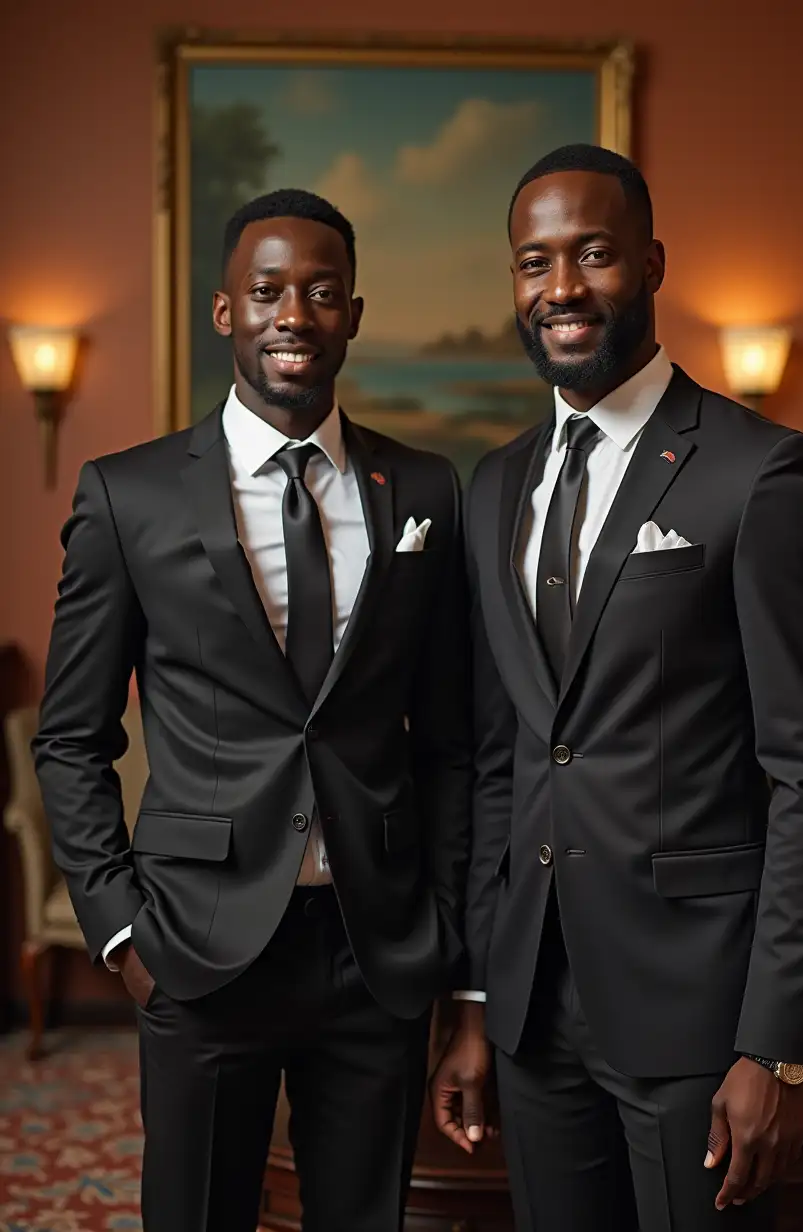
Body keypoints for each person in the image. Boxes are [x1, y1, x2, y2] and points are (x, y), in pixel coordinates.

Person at [431, 144, 803, 1230]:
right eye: (535, 263)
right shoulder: (495, 486)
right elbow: (502, 759)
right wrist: (480, 1002)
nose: (562, 288)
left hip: (699, 1013)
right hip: (534, 1005)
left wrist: (780, 1046)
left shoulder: (758, 472)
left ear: (653, 264)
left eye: (593, 254)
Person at [33, 188, 471, 1232]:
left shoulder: (422, 491)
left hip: (375, 948)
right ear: (225, 310)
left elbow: (453, 742)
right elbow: (70, 739)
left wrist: (443, 927)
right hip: (196, 945)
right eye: (268, 289)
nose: (295, 314)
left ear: (352, 315)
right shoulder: (125, 495)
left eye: (322, 292)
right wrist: (122, 930)